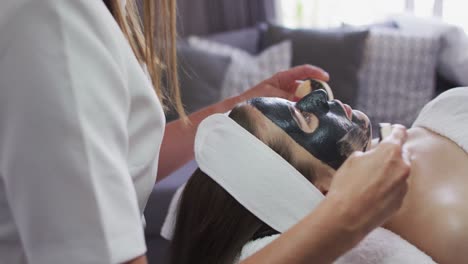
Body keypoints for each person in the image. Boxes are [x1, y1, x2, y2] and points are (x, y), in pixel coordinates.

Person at [0, 1, 410, 264]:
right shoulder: (51, 15)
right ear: (320, 189)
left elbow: (118, 159)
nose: (319, 101)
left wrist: (237, 103)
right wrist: (344, 218)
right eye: (303, 119)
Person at [169, 86, 468, 264]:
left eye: (297, 106)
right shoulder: (449, 219)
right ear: (324, 189)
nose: (319, 95)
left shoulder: (428, 126)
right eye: (306, 120)